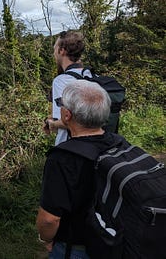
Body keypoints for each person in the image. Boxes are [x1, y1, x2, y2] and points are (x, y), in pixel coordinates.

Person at [36, 80, 119, 258]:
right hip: (112, 239)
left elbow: (49, 219)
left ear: (67, 115)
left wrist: (46, 239)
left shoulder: (62, 158)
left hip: (75, 247)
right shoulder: (118, 142)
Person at [43, 30, 91, 145]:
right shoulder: (90, 75)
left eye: (55, 49)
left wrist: (51, 123)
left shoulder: (61, 81)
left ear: (62, 51)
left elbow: (66, 121)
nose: (54, 54)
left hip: (71, 147)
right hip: (94, 146)